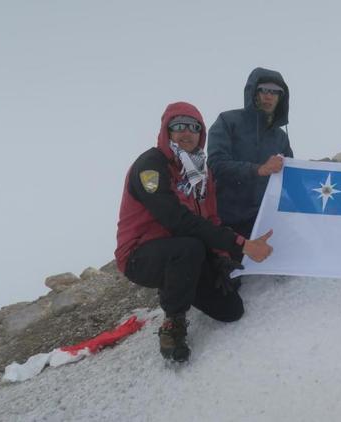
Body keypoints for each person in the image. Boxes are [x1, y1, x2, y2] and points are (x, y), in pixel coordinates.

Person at [115, 102, 273, 362]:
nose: (186, 133)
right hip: (140, 256)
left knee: (231, 310)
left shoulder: (202, 171)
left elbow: (210, 218)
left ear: (201, 134)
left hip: (186, 251)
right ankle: (173, 323)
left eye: (193, 127)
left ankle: (184, 283)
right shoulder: (151, 166)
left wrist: (221, 255)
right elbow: (178, 221)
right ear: (167, 131)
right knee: (188, 248)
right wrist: (242, 244)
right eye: (178, 126)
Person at [207, 67, 293, 240]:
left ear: (281, 98)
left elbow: (290, 177)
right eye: (264, 90)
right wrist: (258, 169)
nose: (269, 96)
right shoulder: (228, 121)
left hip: (266, 221)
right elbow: (216, 164)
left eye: (276, 92)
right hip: (227, 220)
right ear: (253, 92)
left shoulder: (281, 138)